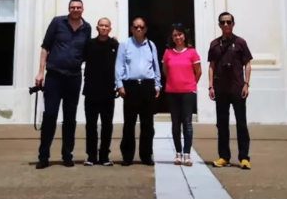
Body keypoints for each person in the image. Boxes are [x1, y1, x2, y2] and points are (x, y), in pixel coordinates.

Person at [35, 0, 92, 169]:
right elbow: (45, 48)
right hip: (54, 76)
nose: (75, 9)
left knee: (70, 118)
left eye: (78, 7)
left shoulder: (87, 28)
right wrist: (40, 72)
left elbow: (87, 52)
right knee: (50, 115)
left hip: (74, 78)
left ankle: (67, 155)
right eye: (72, 7)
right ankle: (43, 156)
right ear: (69, 9)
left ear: (82, 9)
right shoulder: (57, 22)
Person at [208, 12, 253, 169]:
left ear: (233, 24)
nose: (226, 25)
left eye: (228, 22)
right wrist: (211, 86)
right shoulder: (214, 44)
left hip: (237, 88)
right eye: (223, 22)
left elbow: (247, 64)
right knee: (222, 124)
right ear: (219, 25)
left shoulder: (240, 42)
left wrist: (246, 84)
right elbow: (212, 66)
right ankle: (224, 157)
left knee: (241, 123)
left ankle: (244, 158)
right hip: (220, 89)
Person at [115, 17, 161, 166]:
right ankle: (127, 156)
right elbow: (119, 65)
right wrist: (119, 85)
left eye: (141, 27)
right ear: (132, 29)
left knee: (148, 124)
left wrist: (157, 85)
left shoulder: (151, 45)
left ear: (145, 29)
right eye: (136, 27)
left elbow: (156, 66)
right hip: (131, 86)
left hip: (147, 86)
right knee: (129, 123)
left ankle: (146, 156)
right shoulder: (125, 45)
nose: (139, 29)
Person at [162, 23, 201, 167]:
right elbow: (165, 71)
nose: (177, 37)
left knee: (187, 123)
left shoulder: (192, 52)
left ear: (184, 36)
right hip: (172, 92)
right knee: (175, 123)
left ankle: (187, 154)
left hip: (188, 92)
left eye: (180, 34)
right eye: (175, 35)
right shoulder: (168, 53)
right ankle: (178, 153)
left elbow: (198, 71)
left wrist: (190, 83)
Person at [83, 18, 119, 167]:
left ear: (110, 28)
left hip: (108, 91)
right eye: (101, 25)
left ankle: (104, 156)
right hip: (91, 90)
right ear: (97, 27)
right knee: (91, 125)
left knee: (107, 125)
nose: (103, 28)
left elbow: (120, 65)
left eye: (106, 26)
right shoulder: (89, 44)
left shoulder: (115, 45)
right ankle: (91, 156)